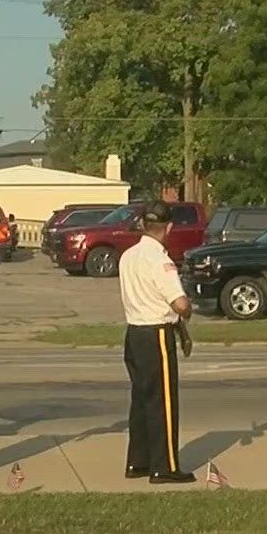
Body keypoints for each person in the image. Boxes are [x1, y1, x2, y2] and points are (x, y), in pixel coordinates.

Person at [118, 200, 195, 484]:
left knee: (140, 400)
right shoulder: (161, 260)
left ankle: (138, 461)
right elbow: (179, 303)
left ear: (143, 224)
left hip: (134, 331)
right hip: (157, 333)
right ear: (169, 227)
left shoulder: (129, 255)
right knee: (162, 401)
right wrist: (188, 309)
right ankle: (165, 466)